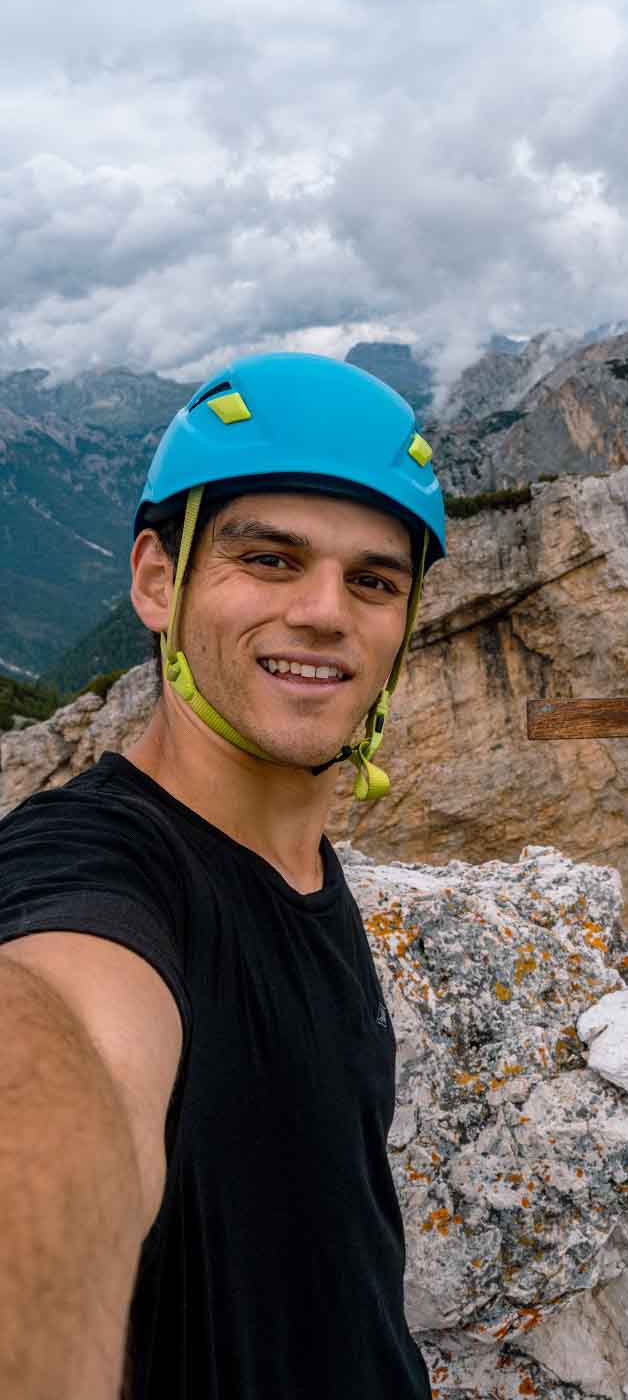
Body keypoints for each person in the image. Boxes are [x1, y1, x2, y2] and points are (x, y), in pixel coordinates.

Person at [0, 352, 445, 1399]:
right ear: (158, 581)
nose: (327, 612)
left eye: (373, 580)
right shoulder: (100, 869)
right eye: (272, 560)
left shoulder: (299, 869)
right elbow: (70, 1043)